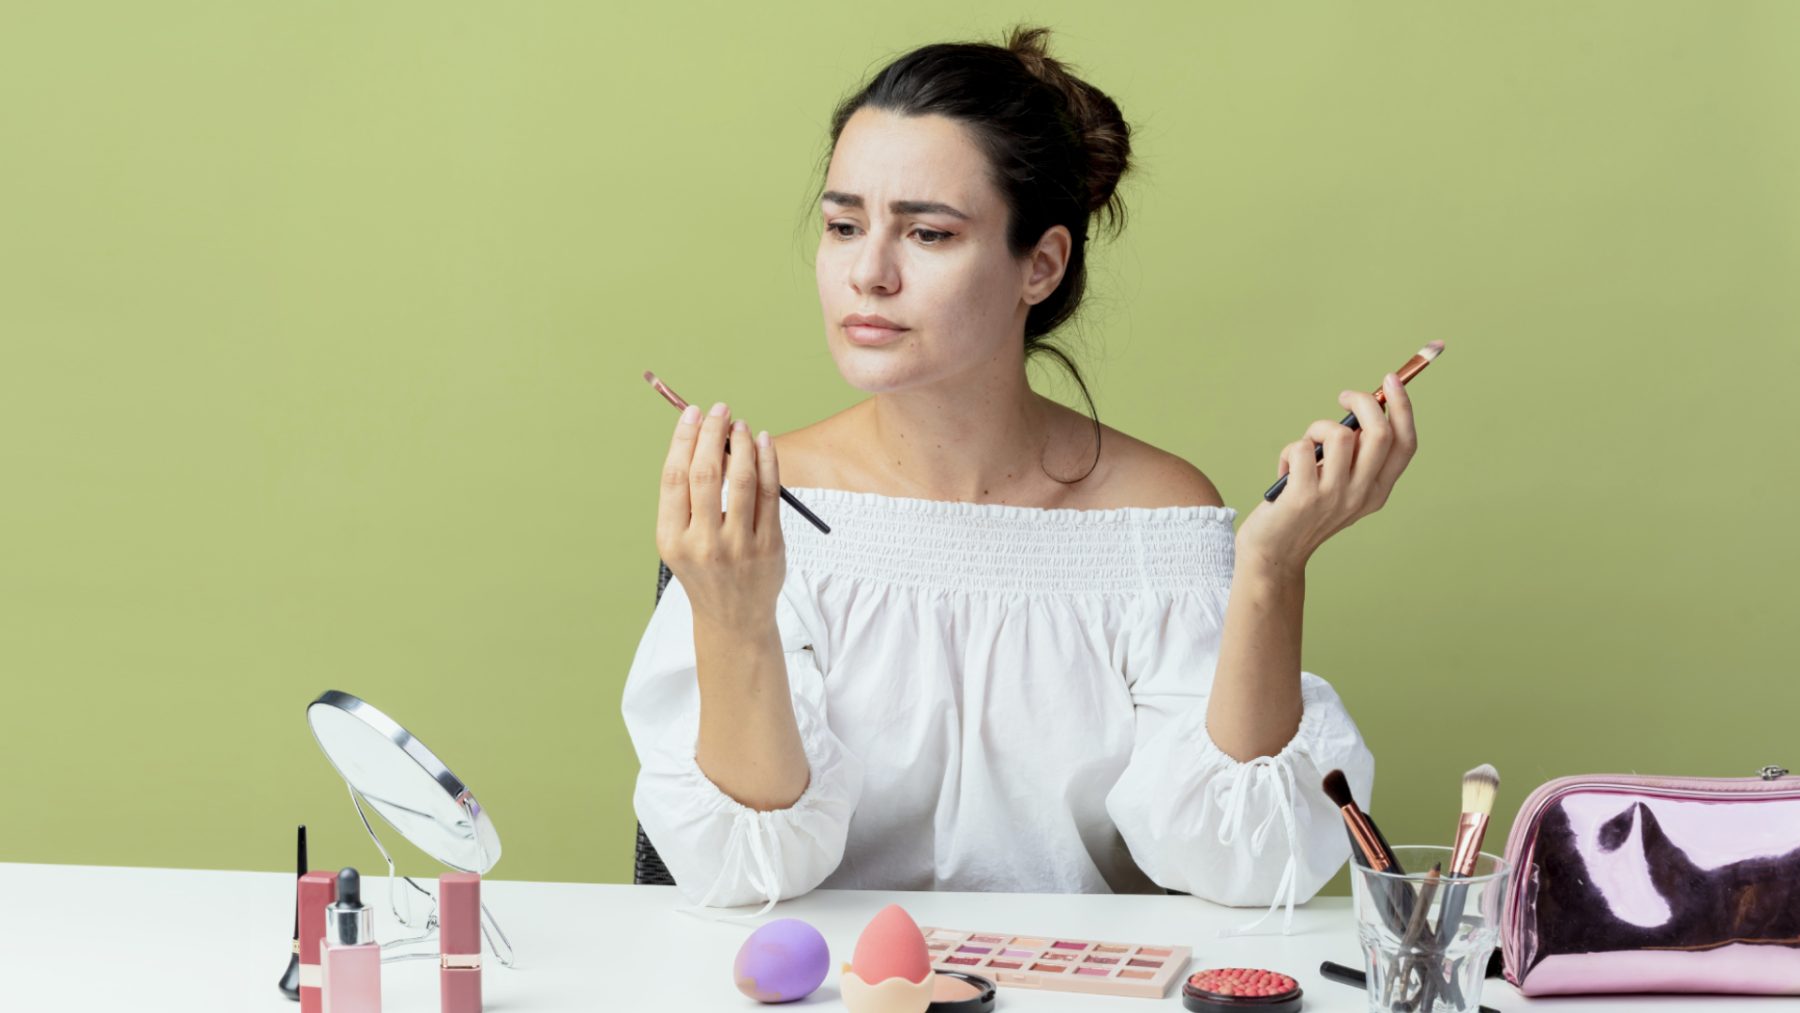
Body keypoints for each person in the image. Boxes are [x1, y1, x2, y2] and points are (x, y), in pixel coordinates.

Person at [621, 26, 1415, 930]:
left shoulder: (1156, 519)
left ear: (1040, 264)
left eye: (927, 232)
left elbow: (1246, 863)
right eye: (844, 226)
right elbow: (748, 870)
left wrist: (1273, 567)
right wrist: (734, 613)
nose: (868, 274)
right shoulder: (764, 511)